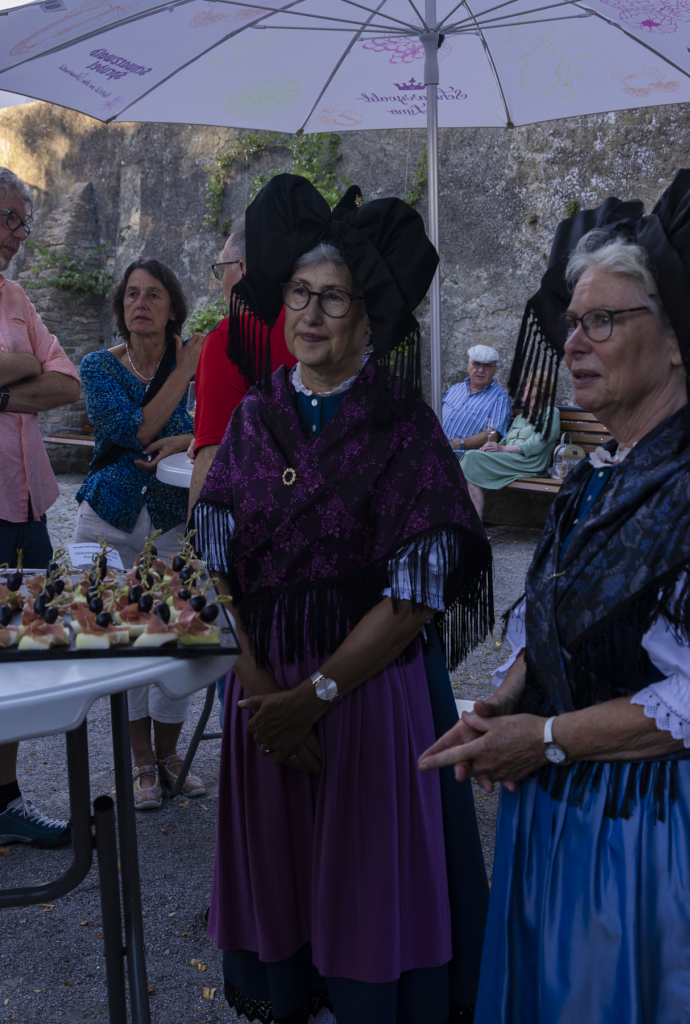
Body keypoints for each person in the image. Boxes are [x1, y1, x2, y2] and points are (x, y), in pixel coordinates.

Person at [419, 166, 690, 1024]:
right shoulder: (593, 477)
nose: (575, 343)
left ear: (673, 341)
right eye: (571, 323)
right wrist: (505, 700)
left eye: (603, 321)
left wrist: (544, 737)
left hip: (643, 829)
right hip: (553, 808)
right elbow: (552, 610)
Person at [191, 175, 493, 1024]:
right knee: (281, 874)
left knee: (366, 876)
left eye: (335, 299)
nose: (312, 315)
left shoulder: (403, 420)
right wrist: (258, 693)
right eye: (300, 294)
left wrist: (315, 696)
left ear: (368, 320)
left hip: (363, 695)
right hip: (263, 695)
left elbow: (422, 588)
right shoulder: (256, 418)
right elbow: (214, 557)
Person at [0, 162, 81, 889]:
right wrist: (17, 368)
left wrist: (2, 383)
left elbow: (65, 382)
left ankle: (0, 805)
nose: (21, 233)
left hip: (28, 507)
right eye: (12, 217)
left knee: (11, 665)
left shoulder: (16, 295)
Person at [74, 256, 206, 809]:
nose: (140, 304)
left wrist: (186, 440)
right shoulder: (98, 367)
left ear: (173, 307)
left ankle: (171, 753)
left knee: (174, 637)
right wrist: (184, 372)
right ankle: (142, 763)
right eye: (132, 294)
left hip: (175, 515)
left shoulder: (201, 363)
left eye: (154, 295)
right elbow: (137, 430)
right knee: (120, 636)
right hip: (110, 516)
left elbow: (224, 424)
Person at [188, 219, 295, 516]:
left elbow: (212, 458)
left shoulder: (228, 336)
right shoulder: (315, 331)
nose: (221, 283)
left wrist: (193, 553)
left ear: (243, 268)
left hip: (253, 517)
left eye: (222, 271)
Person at [459, 377, 560, 518]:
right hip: (509, 459)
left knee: (470, 458)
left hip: (531, 462)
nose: (520, 389)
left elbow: (537, 444)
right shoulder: (520, 418)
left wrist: (503, 450)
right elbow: (505, 442)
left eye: (525, 385)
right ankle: (475, 523)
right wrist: (490, 449)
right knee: (470, 460)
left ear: (537, 389)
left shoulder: (551, 413)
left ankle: (473, 524)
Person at [442, 344, 512, 453]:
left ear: (495, 369)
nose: (480, 370)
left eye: (487, 366)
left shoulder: (500, 398)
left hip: (462, 456)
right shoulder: (455, 388)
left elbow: (492, 436)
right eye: (476, 364)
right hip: (435, 448)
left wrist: (456, 444)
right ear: (468, 366)